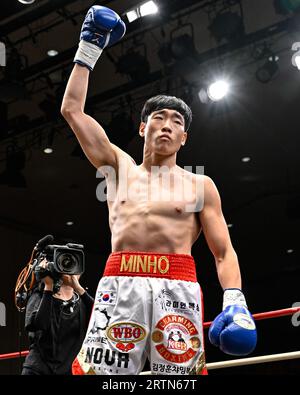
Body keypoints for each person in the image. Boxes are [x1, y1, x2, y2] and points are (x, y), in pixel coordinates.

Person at [60, 6, 257, 375]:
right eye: (158, 118)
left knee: (175, 383)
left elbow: (223, 251)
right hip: (121, 280)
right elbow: (73, 110)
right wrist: (89, 50)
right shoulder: (118, 169)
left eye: (176, 122)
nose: (166, 125)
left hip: (178, 285)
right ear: (142, 128)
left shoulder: (200, 185)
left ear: (184, 138)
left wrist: (234, 299)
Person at [21, 259, 94, 375]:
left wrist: (78, 287)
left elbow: (101, 317)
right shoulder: (39, 294)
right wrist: (48, 286)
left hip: (69, 370)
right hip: (38, 370)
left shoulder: (83, 301)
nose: (70, 269)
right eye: (65, 262)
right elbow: (40, 324)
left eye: (74, 264)